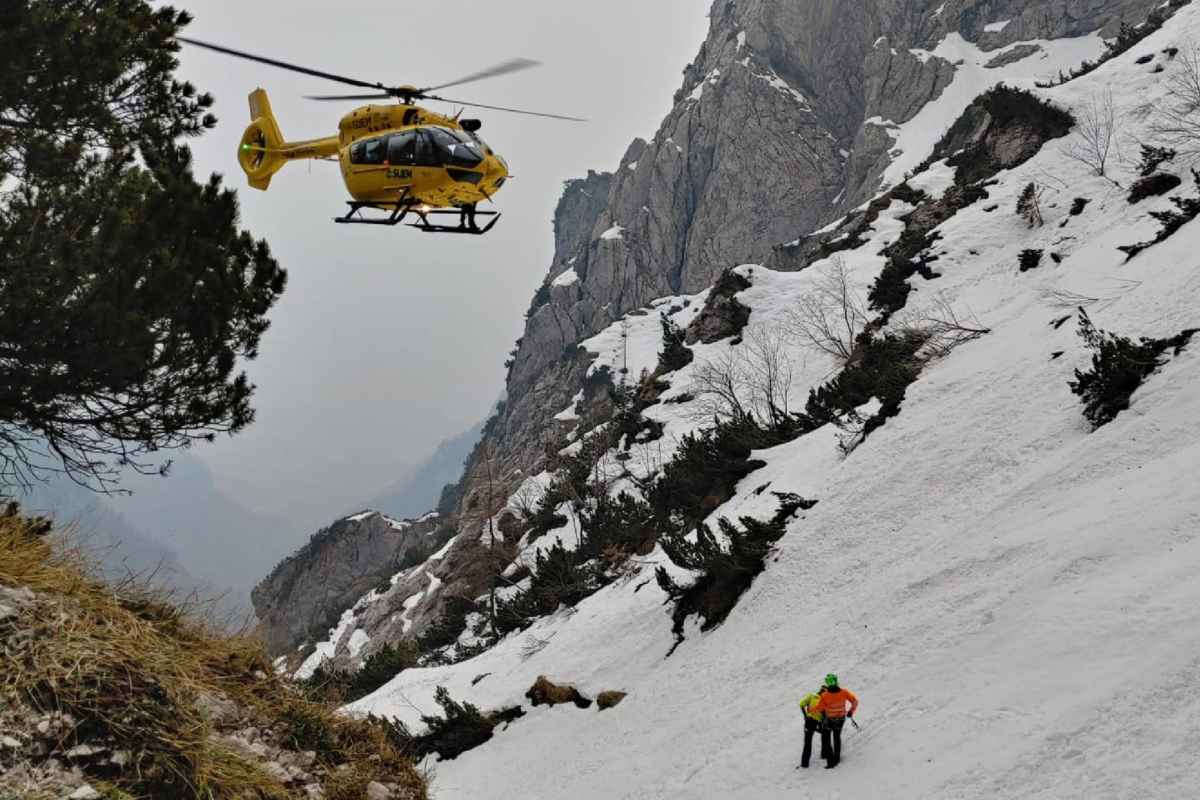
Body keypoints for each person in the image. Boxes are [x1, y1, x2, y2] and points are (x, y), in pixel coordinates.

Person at [810, 673, 858, 768]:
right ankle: (837, 758)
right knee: (837, 738)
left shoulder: (825, 695)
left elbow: (819, 708)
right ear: (836, 682)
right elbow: (855, 701)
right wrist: (851, 711)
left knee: (827, 740)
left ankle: (831, 762)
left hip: (829, 720)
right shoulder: (844, 692)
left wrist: (810, 710)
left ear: (828, 683)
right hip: (840, 719)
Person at [797, 686, 826, 768]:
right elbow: (801, 704)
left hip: (810, 721)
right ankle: (824, 754)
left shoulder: (812, 696)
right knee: (824, 735)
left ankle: (804, 763)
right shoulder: (822, 700)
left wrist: (805, 716)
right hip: (816, 722)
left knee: (808, 742)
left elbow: (801, 704)